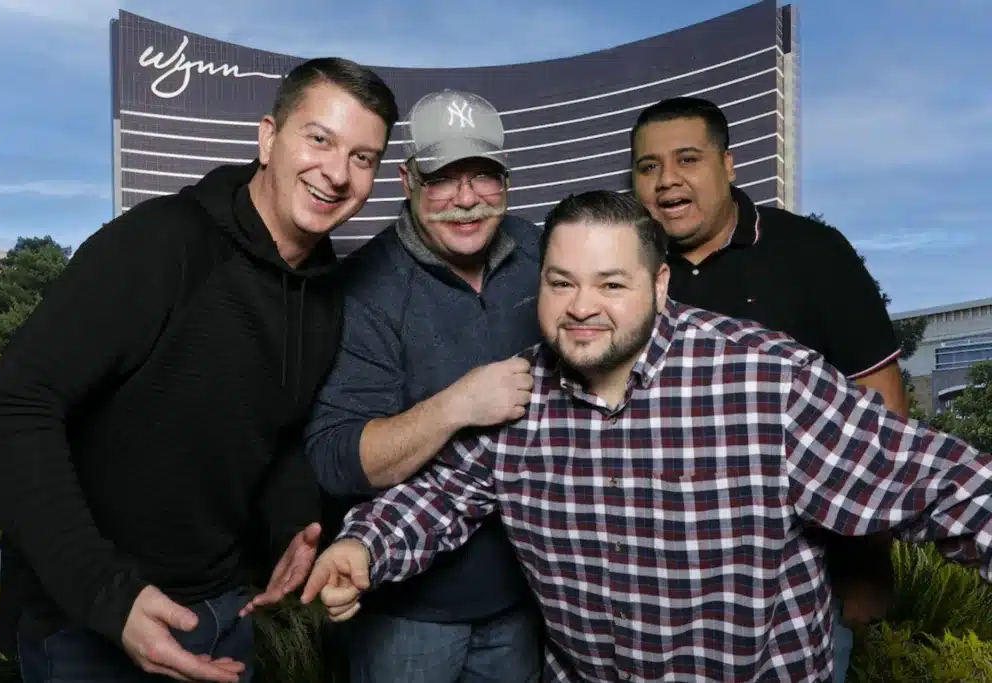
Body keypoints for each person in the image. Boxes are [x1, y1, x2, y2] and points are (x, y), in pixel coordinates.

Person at [297, 190, 992, 682]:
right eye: (561, 282)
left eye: (610, 283)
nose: (581, 308)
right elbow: (442, 495)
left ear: (661, 286)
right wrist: (364, 544)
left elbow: (940, 483)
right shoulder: (518, 393)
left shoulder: (762, 381)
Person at [0, 57, 398, 683]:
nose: (337, 173)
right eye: (320, 138)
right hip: (88, 624)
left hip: (220, 608)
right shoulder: (159, 244)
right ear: (267, 137)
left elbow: (276, 432)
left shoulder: (326, 296)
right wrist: (106, 596)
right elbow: (8, 410)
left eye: (364, 158)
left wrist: (292, 525)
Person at [267, 89, 544, 682]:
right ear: (408, 179)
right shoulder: (364, 288)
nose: (466, 199)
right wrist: (457, 405)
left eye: (484, 175)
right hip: (409, 613)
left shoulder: (545, 255)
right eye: (444, 178)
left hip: (532, 597)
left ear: (507, 180)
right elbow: (339, 461)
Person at [629, 96, 908, 681]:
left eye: (687, 159)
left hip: (800, 588)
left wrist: (867, 565)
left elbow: (880, 410)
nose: (667, 180)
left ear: (729, 165)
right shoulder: (623, 274)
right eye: (648, 167)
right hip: (658, 595)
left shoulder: (812, 252)